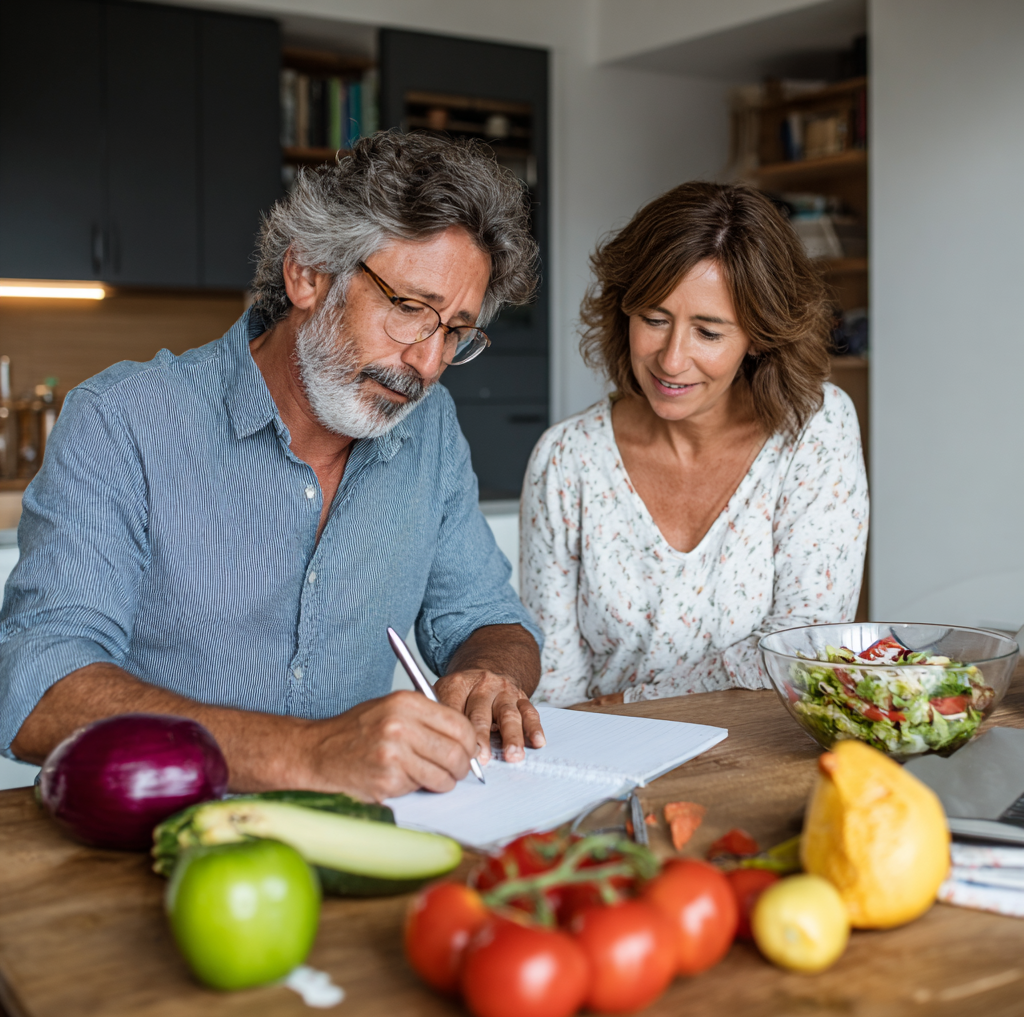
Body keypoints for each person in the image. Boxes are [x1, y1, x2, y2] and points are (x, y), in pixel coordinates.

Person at [0, 132, 548, 800]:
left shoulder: (430, 431)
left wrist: (490, 675)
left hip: (360, 836)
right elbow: (38, 686)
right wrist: (309, 755)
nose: (428, 365)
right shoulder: (122, 421)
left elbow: (486, 618)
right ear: (308, 274)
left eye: (455, 331)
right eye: (409, 310)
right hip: (159, 836)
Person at [521, 181, 868, 707]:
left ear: (760, 336)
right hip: (610, 757)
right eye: (654, 320)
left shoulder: (814, 429)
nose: (672, 359)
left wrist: (630, 701)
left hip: (761, 754)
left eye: (708, 332)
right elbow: (555, 690)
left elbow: (803, 646)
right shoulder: (567, 459)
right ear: (624, 312)